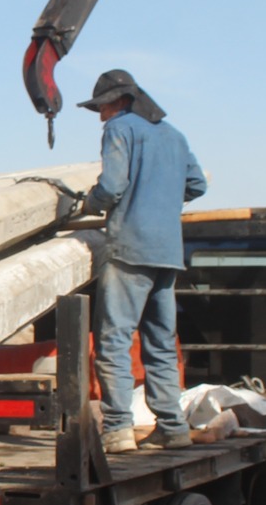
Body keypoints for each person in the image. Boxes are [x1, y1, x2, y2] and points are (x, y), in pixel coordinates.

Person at [78, 67, 207, 454]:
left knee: (114, 339)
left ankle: (117, 428)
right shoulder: (174, 136)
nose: (100, 116)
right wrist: (161, 198)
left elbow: (113, 186)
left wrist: (89, 202)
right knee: (161, 342)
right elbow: (198, 185)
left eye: (101, 108)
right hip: (168, 253)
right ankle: (172, 426)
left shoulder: (120, 129)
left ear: (118, 102)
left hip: (130, 247)